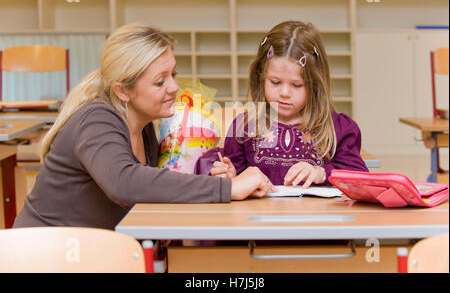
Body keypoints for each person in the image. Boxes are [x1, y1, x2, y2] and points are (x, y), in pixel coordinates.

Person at [13, 23, 274, 231]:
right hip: (45, 256)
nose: (173, 87)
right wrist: (228, 189)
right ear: (123, 91)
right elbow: (124, 183)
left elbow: (152, 186)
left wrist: (214, 178)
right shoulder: (96, 120)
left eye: (173, 74)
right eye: (159, 82)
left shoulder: (143, 125)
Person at [210, 21, 368, 187]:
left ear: (315, 84)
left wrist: (321, 173)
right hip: (259, 213)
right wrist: (230, 176)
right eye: (275, 82)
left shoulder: (340, 129)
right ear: (261, 77)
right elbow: (232, 176)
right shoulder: (243, 128)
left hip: (319, 214)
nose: (285, 93)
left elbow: (360, 179)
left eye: (297, 85)